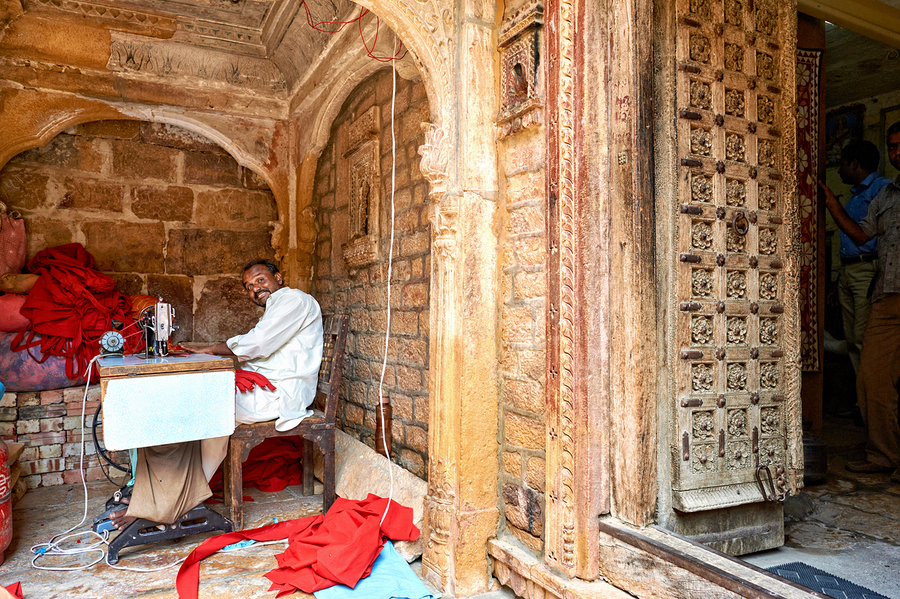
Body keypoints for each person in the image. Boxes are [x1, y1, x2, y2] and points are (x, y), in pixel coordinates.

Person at [109, 259, 323, 529]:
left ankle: (160, 503)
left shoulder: (293, 300)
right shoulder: (278, 307)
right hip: (268, 387)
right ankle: (170, 499)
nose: (255, 288)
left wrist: (211, 349)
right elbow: (257, 343)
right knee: (209, 416)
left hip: (281, 393)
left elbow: (257, 342)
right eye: (248, 286)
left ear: (278, 277)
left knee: (191, 405)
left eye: (260, 280)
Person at [820, 122, 900, 477]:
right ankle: (885, 454)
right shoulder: (889, 195)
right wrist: (833, 205)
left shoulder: (880, 188)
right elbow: (862, 233)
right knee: (871, 377)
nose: (897, 152)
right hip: (887, 294)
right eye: (893, 146)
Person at [820, 141, 891, 377]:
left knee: (863, 338)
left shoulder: (883, 190)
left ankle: (872, 403)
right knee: (852, 339)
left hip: (867, 270)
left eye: (842, 164)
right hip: (850, 271)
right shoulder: (854, 197)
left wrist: (832, 204)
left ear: (855, 164)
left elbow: (863, 237)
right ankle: (864, 401)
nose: (839, 170)